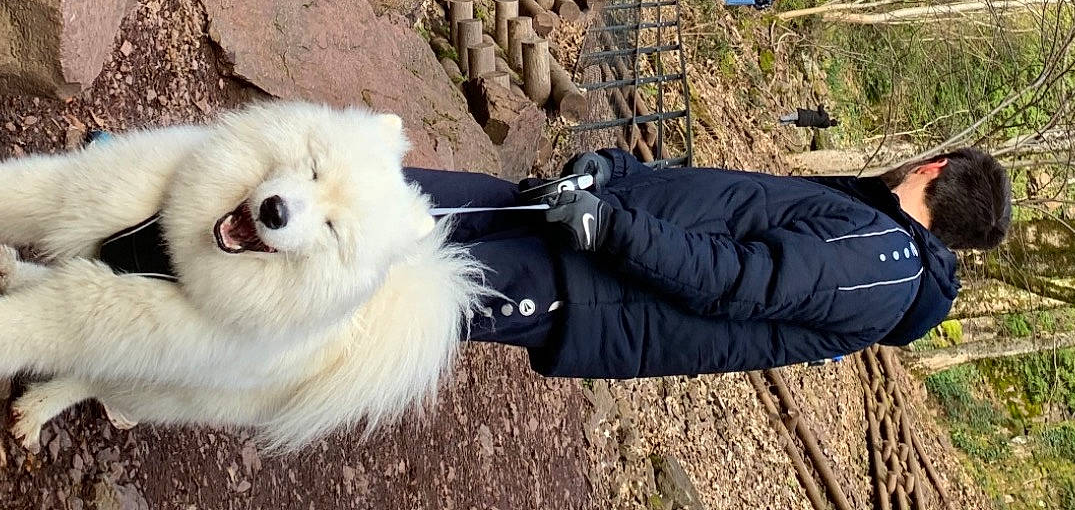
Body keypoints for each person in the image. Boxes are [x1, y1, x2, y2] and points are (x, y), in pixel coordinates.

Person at [405, 145, 1011, 378]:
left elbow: (735, 280)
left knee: (389, 294)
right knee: (390, 198)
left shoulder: (884, 263)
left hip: (590, 284)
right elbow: (721, 201)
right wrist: (617, 172)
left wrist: (609, 225)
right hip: (570, 227)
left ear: (932, 168)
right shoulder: (867, 216)